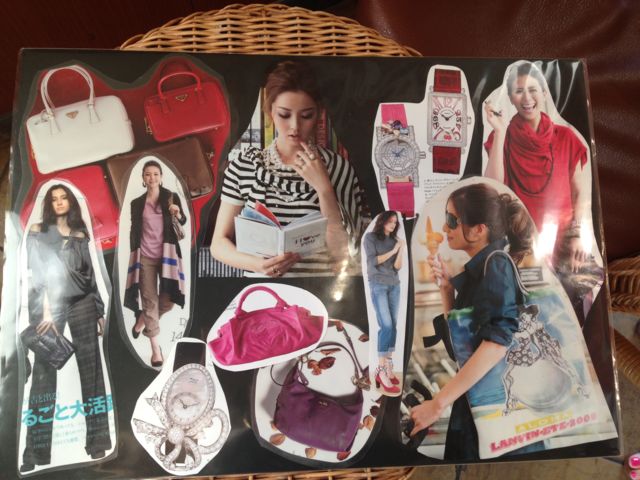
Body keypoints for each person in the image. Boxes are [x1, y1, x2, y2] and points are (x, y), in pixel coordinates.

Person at [410, 183, 542, 461]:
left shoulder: (496, 267)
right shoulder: (481, 270)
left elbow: (496, 345)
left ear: (479, 229)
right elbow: (461, 352)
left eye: (451, 220)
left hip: (496, 416)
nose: (444, 228)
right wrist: (447, 290)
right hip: (481, 409)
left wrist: (437, 404)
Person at [211, 60, 368, 277]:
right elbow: (218, 244)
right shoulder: (244, 166)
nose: (295, 126)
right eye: (284, 115)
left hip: (317, 290)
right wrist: (257, 265)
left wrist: (324, 189)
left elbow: (347, 256)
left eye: (306, 116)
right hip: (260, 289)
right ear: (270, 112)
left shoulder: (338, 167)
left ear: (318, 114)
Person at [21, 184, 111, 472]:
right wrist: (45, 309)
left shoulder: (80, 233)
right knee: (43, 373)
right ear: (49, 204)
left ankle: (97, 443)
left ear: (71, 202)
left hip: (83, 302)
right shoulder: (38, 230)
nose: (59, 202)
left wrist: (99, 310)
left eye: (64, 198)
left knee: (92, 370)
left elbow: (90, 276)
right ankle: (34, 453)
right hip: (51, 305)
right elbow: (35, 274)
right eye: (54, 199)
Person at [483, 61, 591, 274]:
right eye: (518, 91)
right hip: (518, 248)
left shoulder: (566, 137)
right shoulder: (500, 137)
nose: (527, 98)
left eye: (532, 89)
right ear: (510, 98)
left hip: (564, 247)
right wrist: (500, 132)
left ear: (544, 93)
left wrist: (577, 235)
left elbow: (580, 193)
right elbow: (493, 188)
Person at [124, 160, 186, 367]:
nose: (152, 178)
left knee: (167, 301)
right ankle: (156, 350)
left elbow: (183, 221)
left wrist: (178, 213)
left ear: (161, 177)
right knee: (149, 301)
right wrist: (134, 254)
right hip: (145, 258)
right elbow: (134, 231)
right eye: (148, 174)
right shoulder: (136, 203)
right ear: (143, 178)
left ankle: (142, 321)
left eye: (156, 174)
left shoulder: (171, 197)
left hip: (167, 256)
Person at [363, 211, 404, 394]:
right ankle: (380, 370)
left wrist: (401, 249)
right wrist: (393, 250)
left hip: (394, 285)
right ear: (382, 221)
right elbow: (373, 262)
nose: (393, 225)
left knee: (393, 326)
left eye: (395, 222)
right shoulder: (370, 238)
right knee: (385, 325)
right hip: (378, 284)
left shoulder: (395, 240)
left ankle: (387, 366)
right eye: (390, 221)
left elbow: (397, 267)